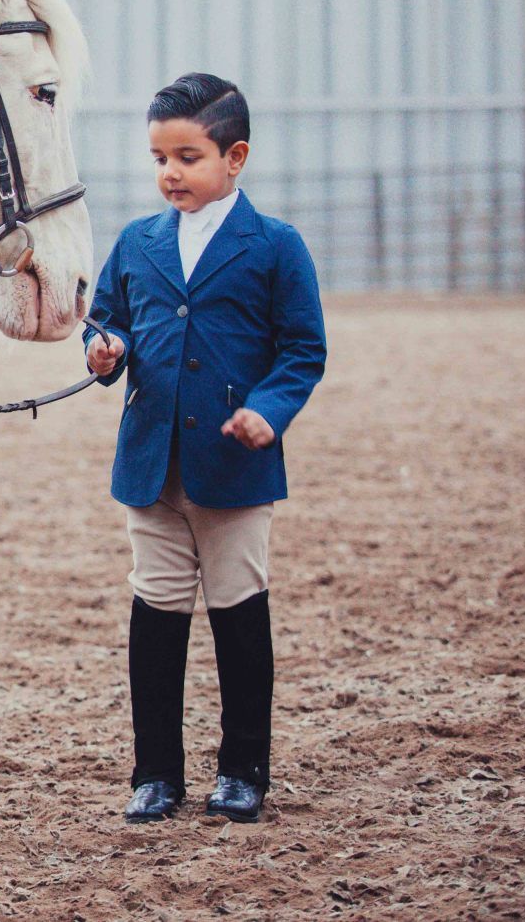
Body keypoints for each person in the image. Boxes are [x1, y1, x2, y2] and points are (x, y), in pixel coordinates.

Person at [84, 73, 327, 824]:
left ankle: (243, 769)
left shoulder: (277, 246)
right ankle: (156, 773)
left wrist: (269, 411)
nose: (170, 173)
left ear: (235, 156)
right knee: (155, 617)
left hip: (234, 467)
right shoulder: (137, 241)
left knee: (238, 616)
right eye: (160, 158)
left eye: (188, 157)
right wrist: (105, 349)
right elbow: (107, 321)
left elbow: (303, 350)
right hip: (151, 467)